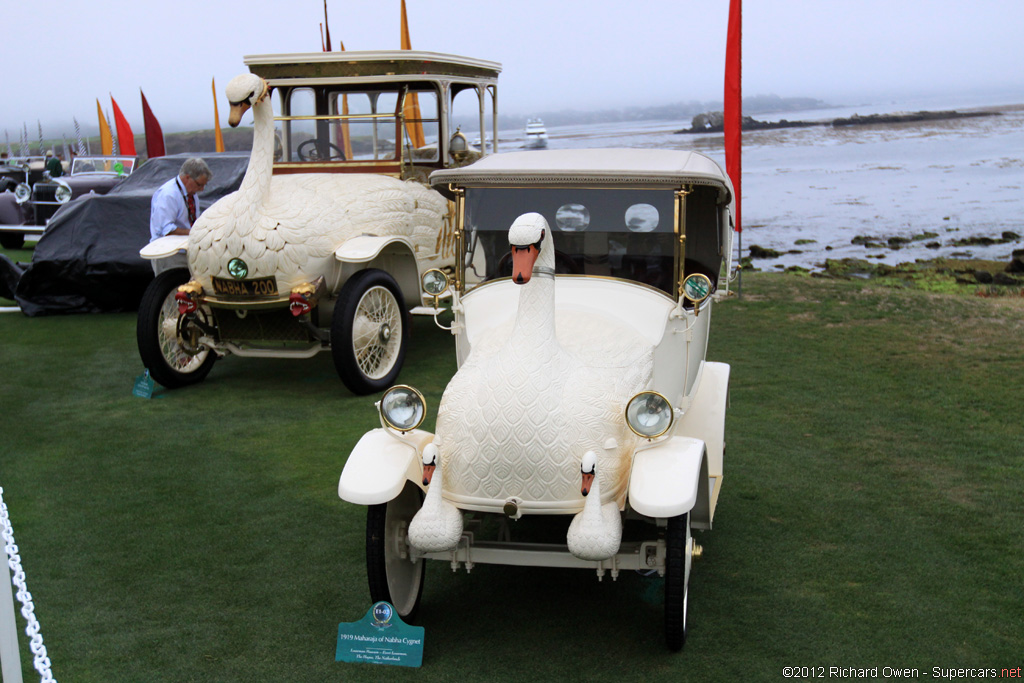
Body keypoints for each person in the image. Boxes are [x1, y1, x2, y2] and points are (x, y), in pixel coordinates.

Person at [149, 158, 212, 242]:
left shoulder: (191, 192)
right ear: (187, 178)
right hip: (165, 249)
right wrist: (194, 233)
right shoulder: (168, 194)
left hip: (184, 246)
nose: (202, 189)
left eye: (204, 185)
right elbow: (166, 230)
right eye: (199, 185)